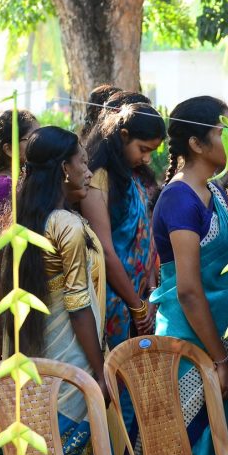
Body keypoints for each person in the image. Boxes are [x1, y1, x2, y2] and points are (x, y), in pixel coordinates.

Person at [3, 126, 105, 455]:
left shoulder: (25, 221)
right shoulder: (67, 224)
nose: (88, 172)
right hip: (72, 365)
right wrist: (100, 372)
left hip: (35, 367)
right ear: (64, 168)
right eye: (82, 162)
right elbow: (78, 306)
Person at [150, 96, 228, 455]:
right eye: (224, 131)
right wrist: (218, 360)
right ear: (196, 143)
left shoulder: (213, 191)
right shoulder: (180, 198)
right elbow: (189, 290)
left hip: (222, 338)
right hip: (192, 346)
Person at [81, 103, 164, 348]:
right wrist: (137, 307)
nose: (147, 158)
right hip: (112, 299)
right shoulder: (98, 178)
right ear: (124, 135)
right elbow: (105, 250)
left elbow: (146, 240)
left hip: (141, 298)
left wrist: (150, 293)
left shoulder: (134, 176)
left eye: (152, 152)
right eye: (143, 149)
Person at [0, 109, 39, 296]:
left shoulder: (18, 181)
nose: (40, 143)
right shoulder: (3, 188)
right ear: (9, 149)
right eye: (33, 138)